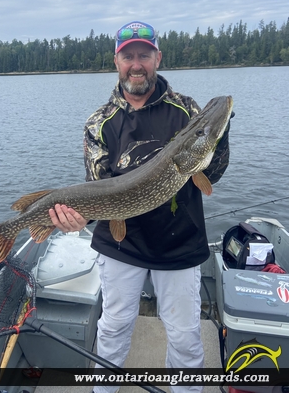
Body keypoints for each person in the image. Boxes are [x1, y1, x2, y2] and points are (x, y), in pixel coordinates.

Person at [49, 21, 231, 393]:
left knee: (184, 335)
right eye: (128, 56)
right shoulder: (99, 123)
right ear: (117, 62)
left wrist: (221, 136)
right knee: (113, 326)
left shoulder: (187, 110)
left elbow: (212, 170)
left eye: (144, 55)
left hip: (179, 242)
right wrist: (73, 219)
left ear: (157, 58)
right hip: (121, 243)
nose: (137, 64)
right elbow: (98, 188)